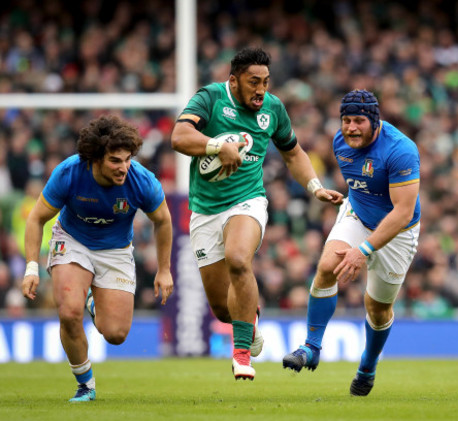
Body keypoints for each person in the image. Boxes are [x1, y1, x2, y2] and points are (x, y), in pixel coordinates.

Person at [170, 47, 343, 381]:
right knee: (223, 309)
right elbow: (179, 136)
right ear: (234, 81)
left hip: (247, 201)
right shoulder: (210, 98)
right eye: (253, 82)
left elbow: (293, 154)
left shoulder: (273, 109)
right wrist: (217, 146)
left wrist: (314, 187)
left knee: (238, 259)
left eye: (266, 81)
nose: (261, 89)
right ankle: (250, 319)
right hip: (205, 210)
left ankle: (241, 355)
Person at [21, 115, 174, 402]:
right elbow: (36, 218)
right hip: (73, 240)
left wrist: (164, 270)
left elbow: (163, 221)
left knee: (115, 334)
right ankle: (85, 385)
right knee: (68, 312)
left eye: (128, 159)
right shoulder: (69, 172)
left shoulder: (142, 181)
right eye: (116, 160)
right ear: (95, 158)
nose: (124, 167)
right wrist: (31, 268)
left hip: (116, 250)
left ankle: (90, 300)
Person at [282, 89, 421, 396]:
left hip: (398, 232)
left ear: (375, 120)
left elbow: (402, 213)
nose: (351, 127)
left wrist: (364, 250)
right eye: (346, 120)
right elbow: (360, 184)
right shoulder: (339, 142)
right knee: (327, 266)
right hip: (357, 214)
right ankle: (311, 347)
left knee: (378, 308)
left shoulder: (401, 150)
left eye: (359, 120)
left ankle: (368, 366)